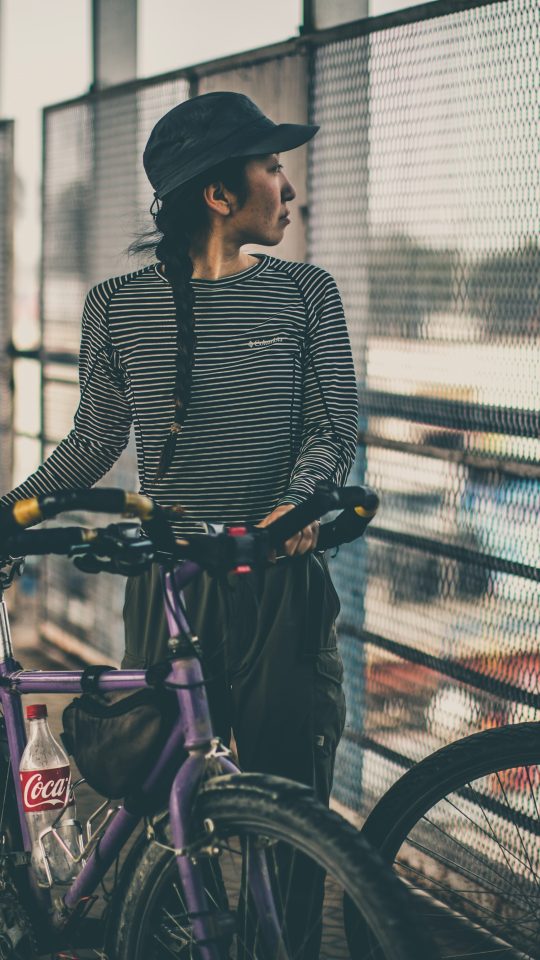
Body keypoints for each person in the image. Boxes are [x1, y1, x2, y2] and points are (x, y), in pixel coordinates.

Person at [1, 90, 358, 956]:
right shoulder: (116, 307)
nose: (289, 185)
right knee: (159, 797)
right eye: (272, 166)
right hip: (169, 582)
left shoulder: (308, 294)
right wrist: (9, 517)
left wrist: (300, 504)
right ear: (219, 194)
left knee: (288, 804)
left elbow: (332, 427)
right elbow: (93, 441)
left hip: (278, 576)